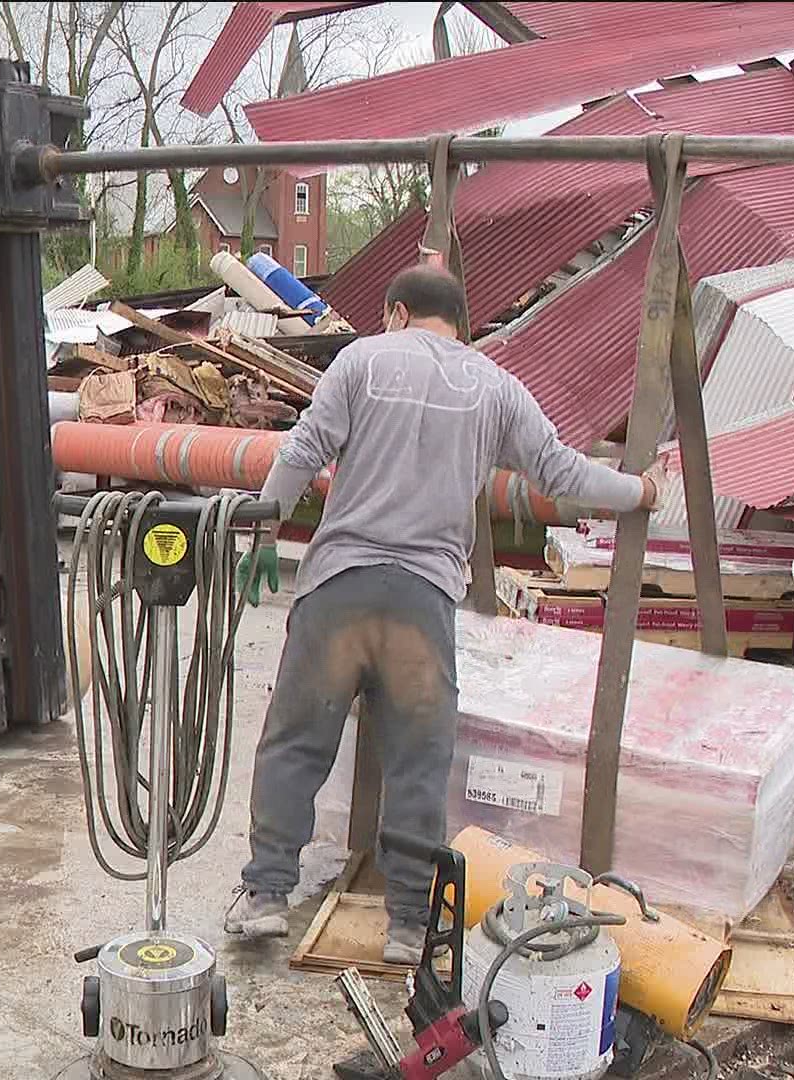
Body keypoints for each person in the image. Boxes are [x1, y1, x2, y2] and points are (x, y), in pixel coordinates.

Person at [224, 264, 664, 963]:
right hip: (422, 600)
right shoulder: (495, 386)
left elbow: (303, 449)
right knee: (417, 763)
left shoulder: (360, 360)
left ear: (396, 313)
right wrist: (638, 490)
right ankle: (405, 924)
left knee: (297, 742)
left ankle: (267, 896)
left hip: (338, 587)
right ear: (460, 324)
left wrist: (262, 525)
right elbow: (561, 474)